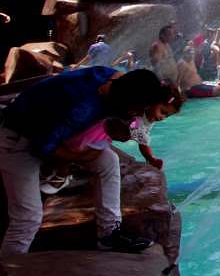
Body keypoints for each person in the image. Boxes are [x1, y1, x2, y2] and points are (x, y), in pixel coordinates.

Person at [0, 68, 164, 255]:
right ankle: (9, 272)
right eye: (137, 109)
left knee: (109, 161)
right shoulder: (81, 108)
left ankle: (109, 235)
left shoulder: (112, 80)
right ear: (126, 101)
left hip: (43, 132)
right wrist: (84, 156)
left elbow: (118, 75)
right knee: (27, 218)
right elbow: (44, 148)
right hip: (17, 142)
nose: (137, 114)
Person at [129, 84, 183, 169]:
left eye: (166, 116)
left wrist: (151, 158)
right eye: (163, 112)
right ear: (154, 101)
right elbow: (142, 141)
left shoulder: (150, 119)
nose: (162, 117)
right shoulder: (138, 114)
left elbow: (142, 140)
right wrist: (151, 158)